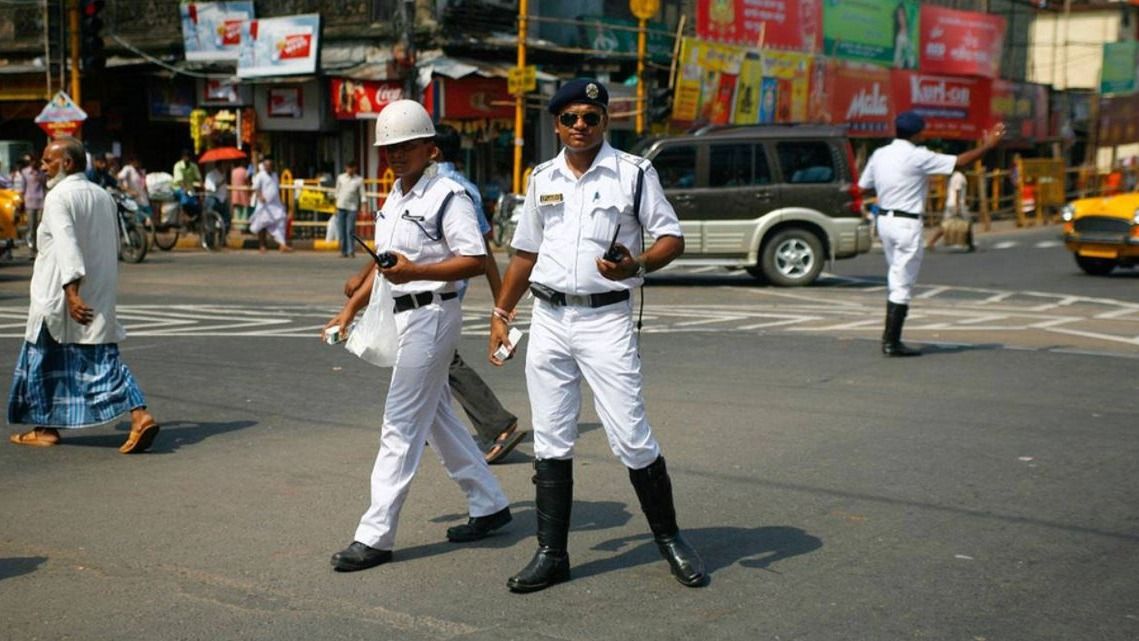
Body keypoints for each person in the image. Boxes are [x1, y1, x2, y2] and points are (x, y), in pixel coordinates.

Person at [488, 79, 706, 593]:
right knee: (551, 437)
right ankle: (552, 553)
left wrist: (637, 263)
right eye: (570, 118)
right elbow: (525, 253)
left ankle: (670, 537)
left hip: (606, 321)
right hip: (548, 319)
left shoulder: (634, 173)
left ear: (606, 120)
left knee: (630, 435)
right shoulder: (542, 178)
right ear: (556, 124)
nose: (580, 126)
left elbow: (672, 237)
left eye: (590, 116)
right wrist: (501, 311)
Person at [323, 100, 511, 572]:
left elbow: (475, 258)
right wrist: (349, 309)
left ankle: (375, 535)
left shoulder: (449, 195)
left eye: (406, 145)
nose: (396, 154)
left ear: (430, 148)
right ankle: (489, 502)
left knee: (400, 423)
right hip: (403, 314)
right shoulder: (395, 196)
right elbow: (387, 261)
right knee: (436, 417)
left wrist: (419, 273)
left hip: (433, 314)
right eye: (389, 148)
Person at [7, 136, 159, 453]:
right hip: (97, 288)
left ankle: (139, 416)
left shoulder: (59, 197)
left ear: (67, 163)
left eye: (48, 160)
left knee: (59, 358)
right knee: (83, 357)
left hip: (60, 292)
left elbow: (67, 246)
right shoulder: (102, 195)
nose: (42, 166)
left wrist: (72, 293)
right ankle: (45, 427)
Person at [858, 112, 1005, 357]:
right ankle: (891, 342)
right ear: (917, 134)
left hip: (884, 221)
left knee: (896, 276)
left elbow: (863, 187)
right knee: (902, 283)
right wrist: (988, 145)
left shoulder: (880, 154)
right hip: (906, 223)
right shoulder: (918, 156)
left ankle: (890, 338)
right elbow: (960, 162)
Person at [431, 125, 527, 464]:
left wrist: (503, 306)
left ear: (433, 151)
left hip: (434, 287)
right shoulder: (465, 187)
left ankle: (496, 422)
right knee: (428, 358)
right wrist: (501, 303)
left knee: (439, 357)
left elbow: (480, 253)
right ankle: (427, 423)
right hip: (442, 287)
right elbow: (484, 250)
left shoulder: (442, 188)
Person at [248, 157, 292, 253]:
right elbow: (256, 188)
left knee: (280, 222)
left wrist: (281, 201)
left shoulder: (275, 175)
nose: (268, 167)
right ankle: (262, 245)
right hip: (264, 205)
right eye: (266, 165)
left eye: (270, 165)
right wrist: (260, 197)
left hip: (275, 204)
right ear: (264, 166)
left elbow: (276, 189)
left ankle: (282, 244)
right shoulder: (260, 175)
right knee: (262, 224)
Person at [926, 169, 973, 252]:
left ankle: (970, 244)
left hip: (952, 204)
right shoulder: (959, 176)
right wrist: (958, 207)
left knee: (948, 225)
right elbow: (957, 191)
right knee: (965, 223)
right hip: (956, 204)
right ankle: (931, 242)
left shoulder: (955, 176)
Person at [333, 161, 365, 258]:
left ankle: (351, 251)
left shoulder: (359, 179)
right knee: (341, 230)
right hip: (341, 206)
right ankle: (343, 251)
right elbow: (337, 192)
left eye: (352, 167)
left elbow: (362, 194)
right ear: (345, 168)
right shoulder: (340, 178)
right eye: (348, 167)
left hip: (352, 208)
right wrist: (335, 207)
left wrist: (364, 206)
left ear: (355, 168)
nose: (350, 170)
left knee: (350, 230)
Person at [17, 154, 46, 255]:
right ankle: (32, 247)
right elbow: (22, 188)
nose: (34, 164)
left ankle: (39, 247)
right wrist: (21, 201)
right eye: (32, 162)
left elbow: (45, 185)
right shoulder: (25, 172)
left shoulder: (41, 172)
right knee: (31, 226)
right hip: (29, 201)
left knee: (40, 226)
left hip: (41, 201)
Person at [172, 149, 202, 216]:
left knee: (196, 204)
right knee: (185, 201)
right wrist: (185, 189)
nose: (187, 158)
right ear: (182, 157)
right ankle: (184, 216)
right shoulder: (178, 166)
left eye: (188, 156)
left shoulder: (193, 166)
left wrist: (202, 186)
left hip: (190, 189)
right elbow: (180, 181)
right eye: (185, 156)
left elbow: (199, 178)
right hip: (178, 188)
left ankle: (192, 217)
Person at [203, 162, 231, 233]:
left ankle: (222, 236)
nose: (227, 167)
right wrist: (220, 183)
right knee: (210, 221)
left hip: (222, 200)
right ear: (220, 165)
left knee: (227, 220)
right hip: (212, 199)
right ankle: (209, 237)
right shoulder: (211, 175)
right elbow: (210, 188)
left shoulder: (223, 174)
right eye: (225, 165)